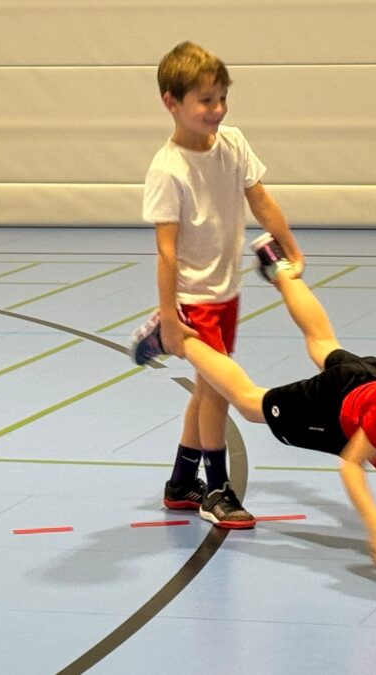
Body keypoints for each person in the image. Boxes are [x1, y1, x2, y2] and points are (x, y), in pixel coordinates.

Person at [129, 236, 376, 572]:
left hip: (371, 382)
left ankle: (279, 268)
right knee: (249, 403)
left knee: (322, 343)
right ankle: (174, 337)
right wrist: (374, 523)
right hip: (334, 408)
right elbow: (350, 463)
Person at [136, 41, 304, 529]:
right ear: (172, 102)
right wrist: (170, 317)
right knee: (217, 395)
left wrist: (290, 247)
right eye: (205, 100)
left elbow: (261, 200)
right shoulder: (167, 170)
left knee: (205, 393)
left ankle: (181, 483)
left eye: (222, 98)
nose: (217, 110)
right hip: (194, 301)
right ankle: (216, 489)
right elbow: (166, 250)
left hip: (226, 293)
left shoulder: (233, 143)